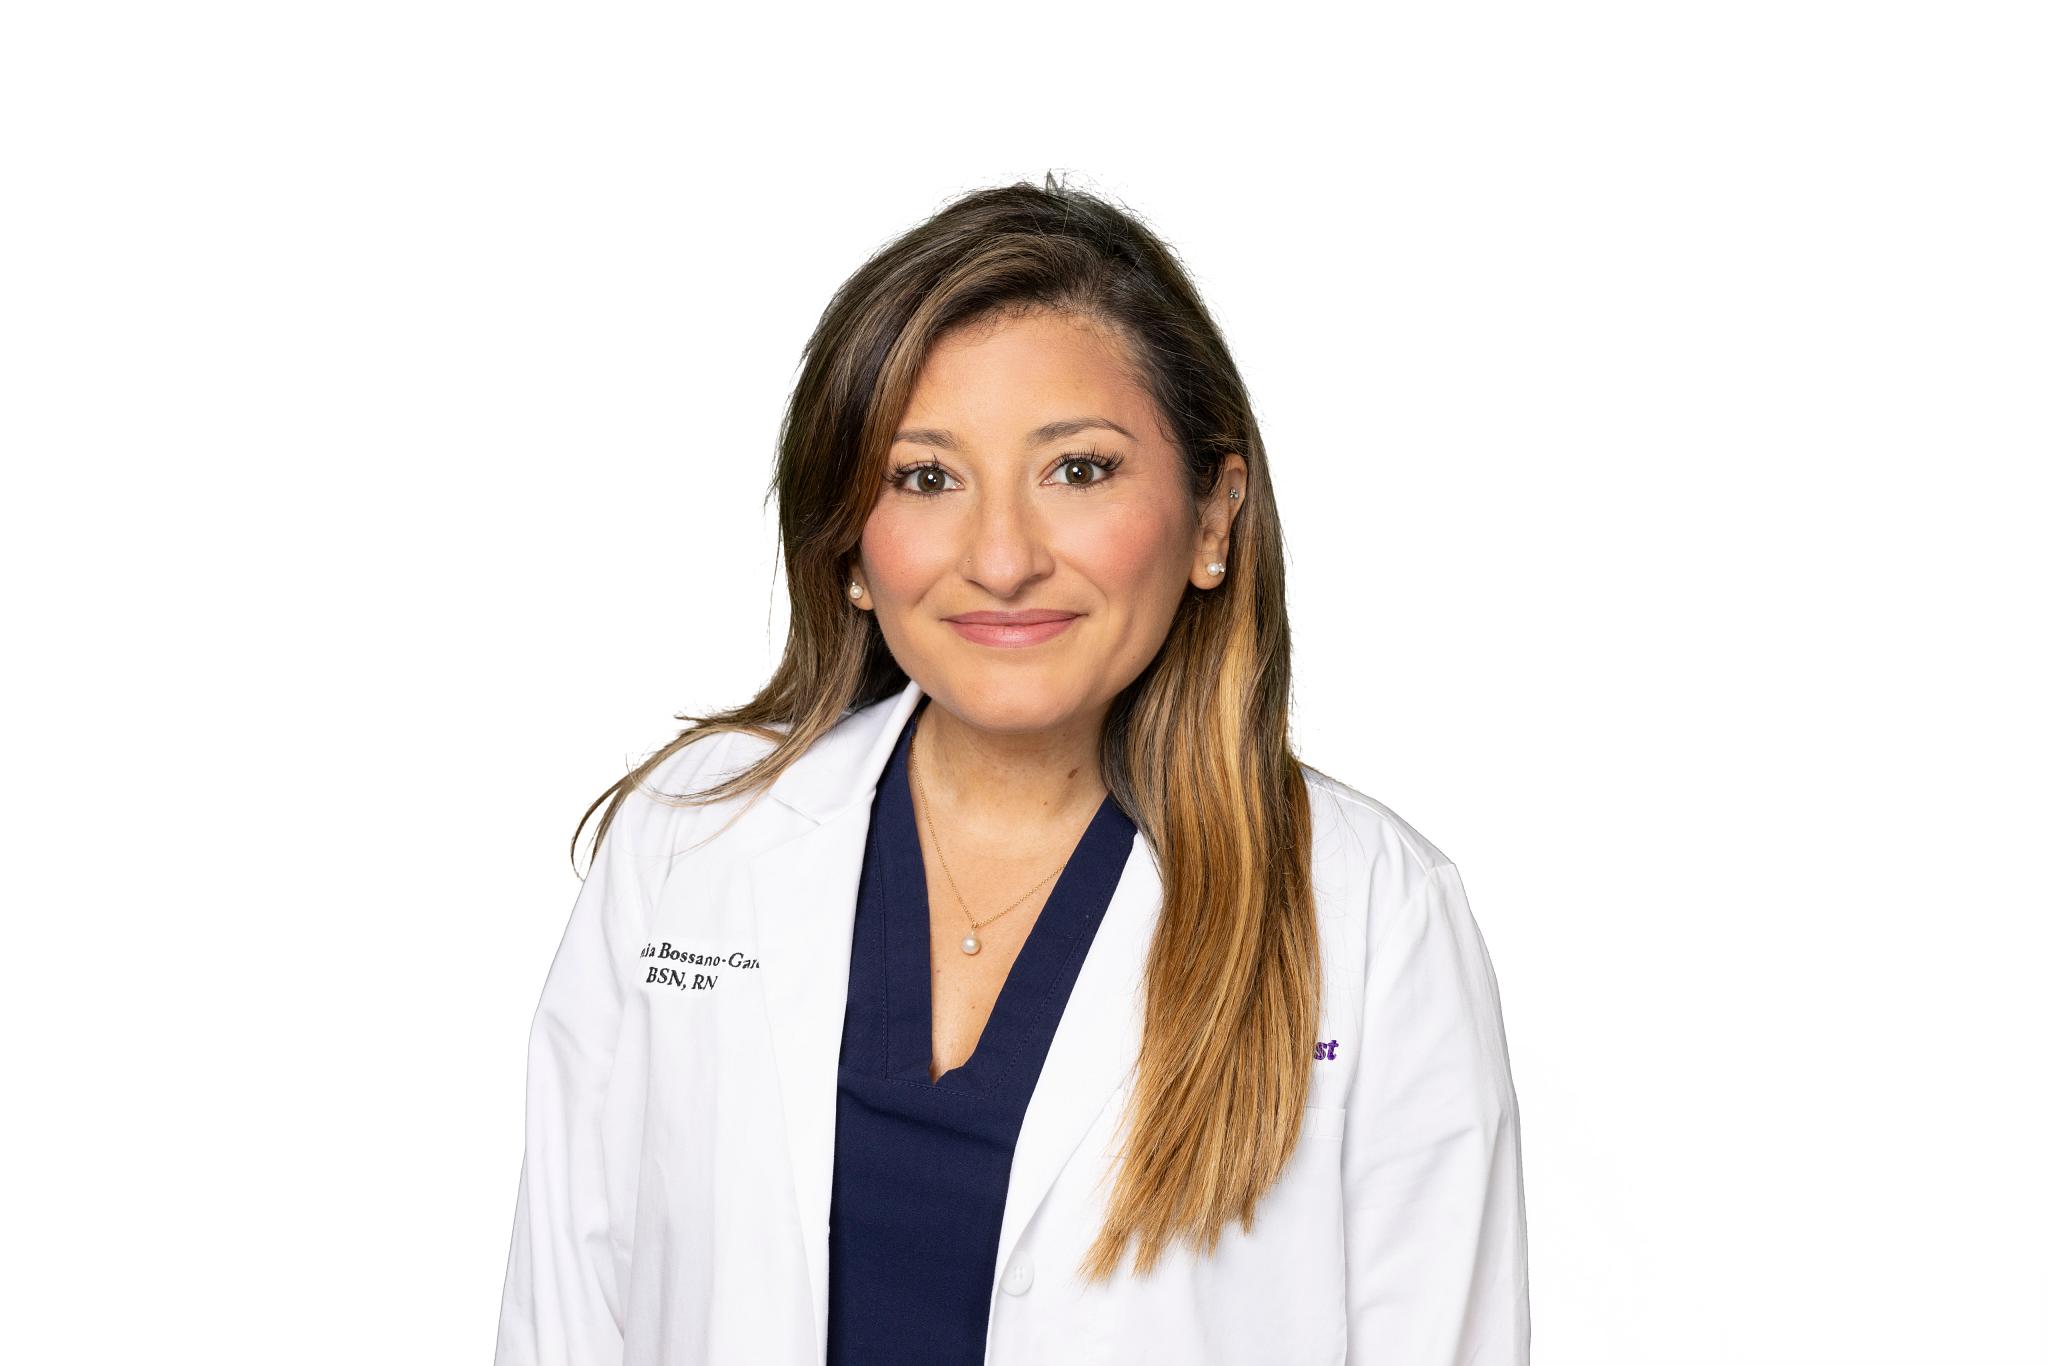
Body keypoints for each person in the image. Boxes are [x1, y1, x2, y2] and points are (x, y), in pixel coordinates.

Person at [493, 176, 1530, 1366]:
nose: (1000, 559)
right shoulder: (690, 841)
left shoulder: (1372, 911)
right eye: (925, 477)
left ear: (1212, 519)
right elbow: (561, 1321)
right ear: (848, 547)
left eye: (1076, 470)